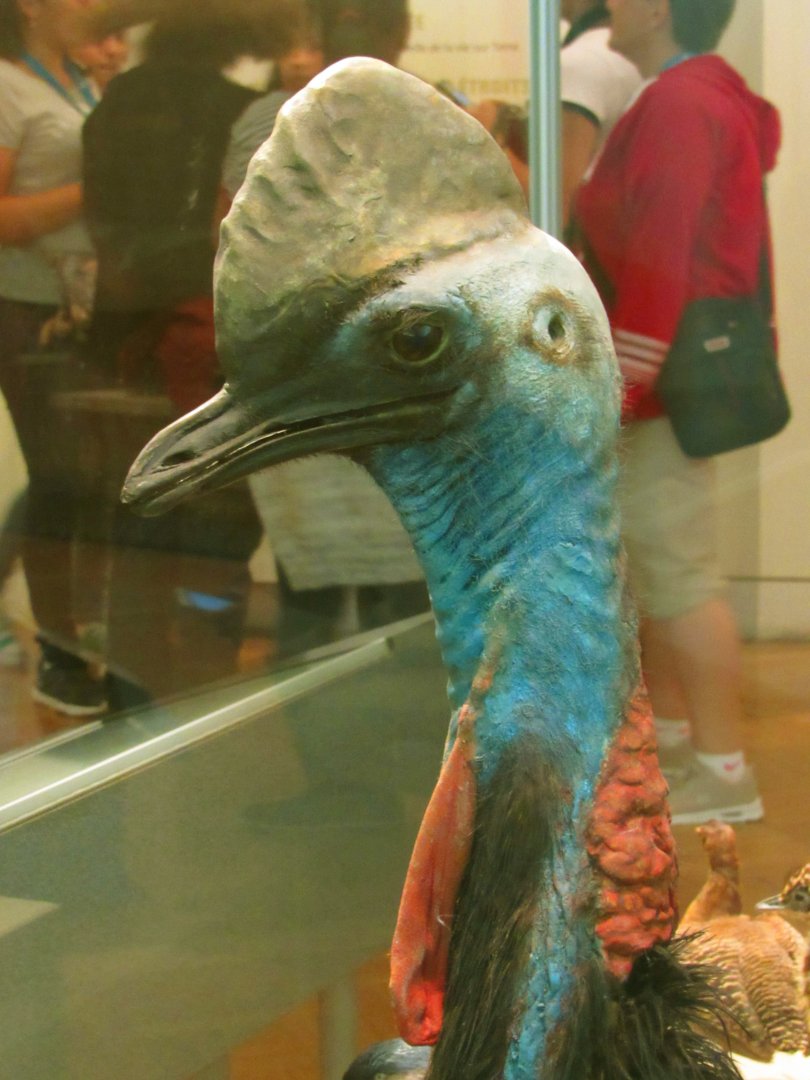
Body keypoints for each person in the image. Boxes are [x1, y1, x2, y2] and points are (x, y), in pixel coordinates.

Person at [574, 0, 780, 824]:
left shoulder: (678, 104)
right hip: (668, 379)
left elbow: (661, 256)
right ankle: (680, 746)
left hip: (658, 385)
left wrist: (620, 391)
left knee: (681, 573)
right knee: (666, 571)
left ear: (658, 7)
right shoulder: (699, 94)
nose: (606, 7)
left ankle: (725, 773)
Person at [0, 0, 109, 715]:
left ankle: (83, 634)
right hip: (28, 310)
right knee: (57, 476)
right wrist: (101, 188)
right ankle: (58, 654)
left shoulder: (80, 83)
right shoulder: (8, 86)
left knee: (89, 478)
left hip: (89, 309)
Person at [560, 0, 641, 224]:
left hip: (581, 252)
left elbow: (558, 205)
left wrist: (491, 134)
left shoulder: (582, 61)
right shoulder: (630, 49)